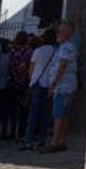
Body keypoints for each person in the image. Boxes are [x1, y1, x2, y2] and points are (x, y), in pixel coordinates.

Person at [19, 29, 57, 150]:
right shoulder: (56, 51)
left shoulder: (38, 51)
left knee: (33, 112)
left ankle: (29, 140)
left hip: (37, 82)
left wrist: (31, 80)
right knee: (45, 113)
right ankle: (41, 138)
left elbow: (31, 69)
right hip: (49, 83)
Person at [43, 20, 78, 153]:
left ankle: (55, 142)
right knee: (63, 114)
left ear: (67, 33)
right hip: (66, 85)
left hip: (63, 86)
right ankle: (61, 140)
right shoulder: (64, 47)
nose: (58, 34)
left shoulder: (66, 47)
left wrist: (54, 84)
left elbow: (62, 65)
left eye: (61, 31)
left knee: (58, 115)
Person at [8, 31, 32, 141]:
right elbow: (26, 67)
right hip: (24, 82)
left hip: (12, 81)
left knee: (13, 109)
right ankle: (21, 133)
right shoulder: (28, 52)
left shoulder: (12, 51)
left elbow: (10, 65)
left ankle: (12, 131)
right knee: (23, 109)